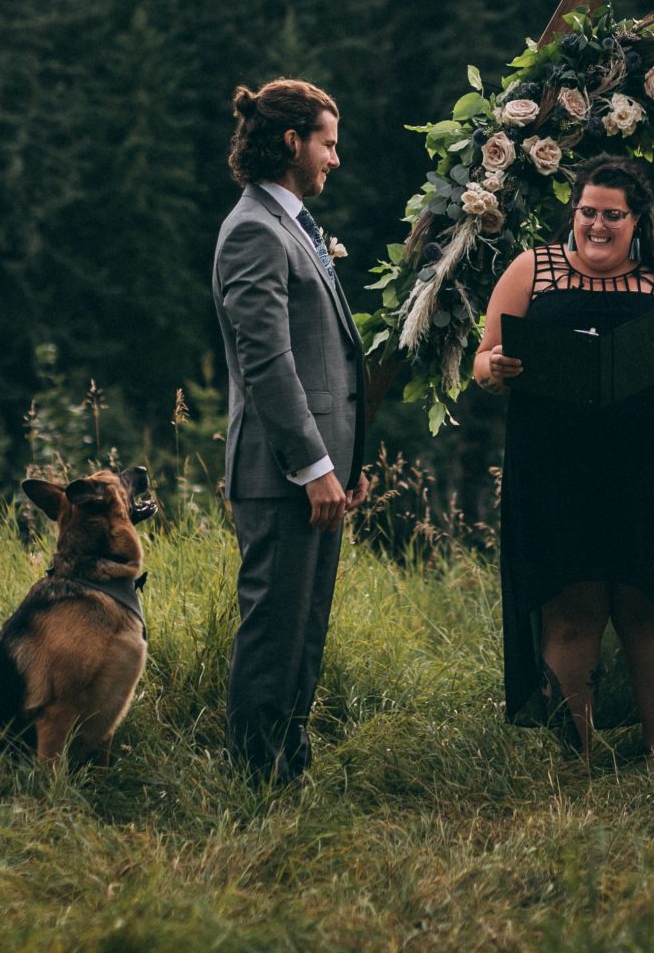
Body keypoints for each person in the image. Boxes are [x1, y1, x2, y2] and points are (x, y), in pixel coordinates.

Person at [474, 156, 654, 754]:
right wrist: (498, 366)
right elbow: (482, 362)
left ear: (638, 220)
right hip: (555, 467)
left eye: (612, 215)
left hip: (653, 466)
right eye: (587, 212)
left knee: (651, 606)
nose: (597, 225)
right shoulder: (532, 269)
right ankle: (575, 757)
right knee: (570, 607)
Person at [212, 78, 369, 784]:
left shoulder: (293, 225)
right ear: (291, 142)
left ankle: (288, 772)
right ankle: (253, 783)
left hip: (318, 473)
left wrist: (346, 459)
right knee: (274, 633)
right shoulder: (253, 228)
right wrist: (313, 465)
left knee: (305, 631)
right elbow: (268, 364)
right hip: (280, 476)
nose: (335, 158)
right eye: (327, 143)